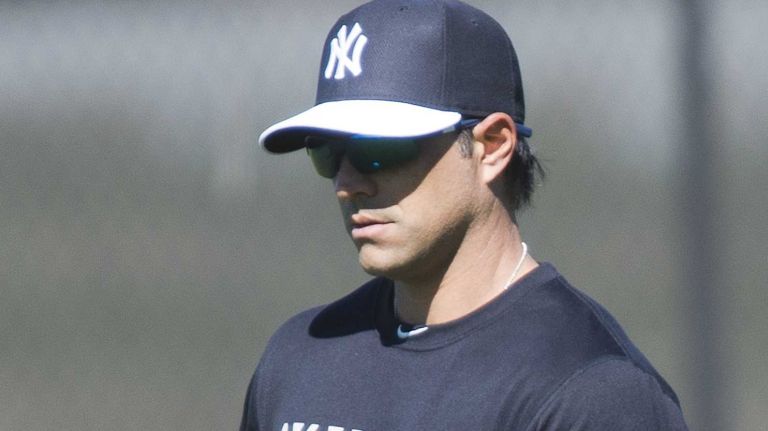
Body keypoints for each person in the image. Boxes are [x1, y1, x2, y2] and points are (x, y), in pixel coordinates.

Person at [241, 0, 688, 429]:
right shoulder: (300, 356)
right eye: (328, 152)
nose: (347, 183)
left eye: (378, 148)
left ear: (492, 146)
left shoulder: (590, 390)